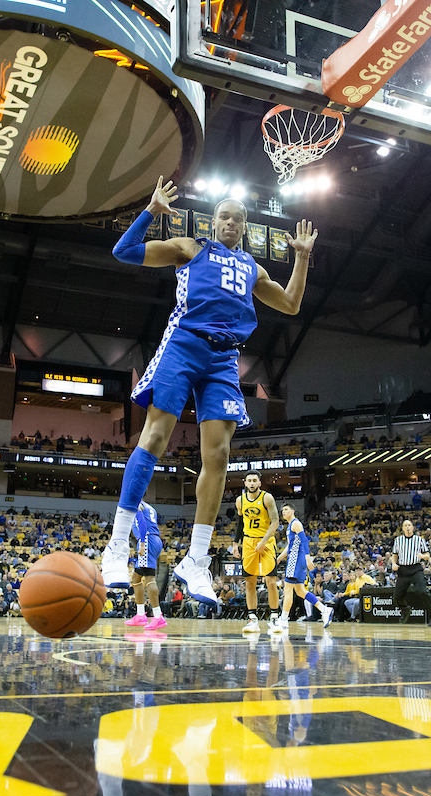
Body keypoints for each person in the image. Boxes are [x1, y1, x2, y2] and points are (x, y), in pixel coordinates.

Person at [99, 176, 317, 609]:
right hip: (184, 344)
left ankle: (196, 559)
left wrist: (303, 258)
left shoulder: (252, 269)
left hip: (224, 357)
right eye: (224, 216)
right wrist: (151, 210)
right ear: (213, 222)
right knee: (155, 437)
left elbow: (291, 303)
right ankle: (117, 545)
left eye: (238, 218)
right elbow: (124, 250)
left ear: (245, 227)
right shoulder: (191, 247)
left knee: (218, 455)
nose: (230, 222)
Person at [234, 472, 283, 634]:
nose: (252, 483)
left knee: (271, 581)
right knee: (250, 582)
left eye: (255, 480)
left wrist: (263, 542)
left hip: (266, 542)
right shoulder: (240, 500)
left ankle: (274, 617)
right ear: (245, 483)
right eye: (249, 480)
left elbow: (275, 522)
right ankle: (252, 619)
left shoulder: (267, 498)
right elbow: (240, 523)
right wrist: (235, 544)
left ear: (260, 483)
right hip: (248, 542)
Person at [272, 504, 332, 628]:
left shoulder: (295, 523)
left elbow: (304, 540)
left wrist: (308, 558)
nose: (283, 512)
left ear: (293, 511)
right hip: (296, 559)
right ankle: (324, 610)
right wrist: (279, 558)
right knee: (300, 591)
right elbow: (290, 545)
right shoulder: (290, 526)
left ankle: (283, 620)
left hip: (296, 559)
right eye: (282, 510)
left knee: (288, 589)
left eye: (286, 509)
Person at [124, 501, 167, 631]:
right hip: (153, 539)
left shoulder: (137, 503)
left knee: (149, 579)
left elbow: (142, 523)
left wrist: (142, 543)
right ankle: (140, 614)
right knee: (136, 578)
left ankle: (158, 616)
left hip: (147, 540)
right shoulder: (150, 507)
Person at [390, 519, 431, 625]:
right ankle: (405, 610)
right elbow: (394, 555)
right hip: (403, 570)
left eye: (409, 525)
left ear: (413, 527)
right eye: (405, 525)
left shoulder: (419, 540)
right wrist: (394, 564)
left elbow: (427, 555)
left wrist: (422, 556)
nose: (408, 527)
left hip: (416, 569)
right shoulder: (398, 540)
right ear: (403, 528)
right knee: (397, 597)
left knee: (423, 592)